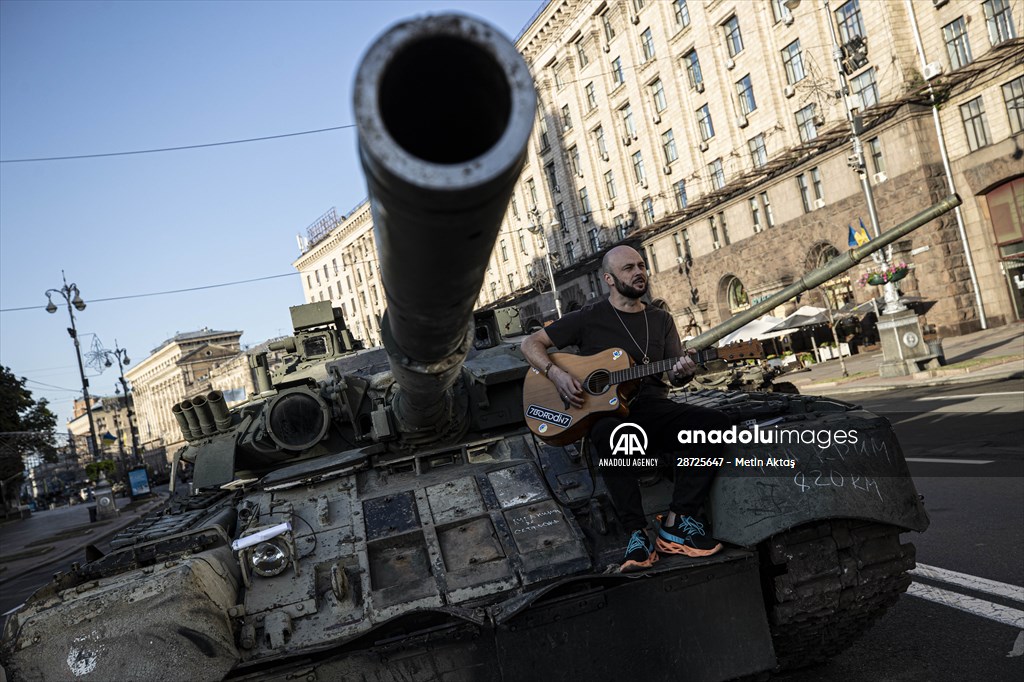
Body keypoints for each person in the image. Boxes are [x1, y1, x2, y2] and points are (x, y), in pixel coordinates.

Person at [521, 245, 731, 572]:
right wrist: (557, 375)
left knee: (715, 424)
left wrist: (682, 372)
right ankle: (636, 533)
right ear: (608, 278)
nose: (639, 272)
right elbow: (530, 344)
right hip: (608, 416)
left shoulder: (660, 319)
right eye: (628, 268)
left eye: (642, 265)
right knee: (608, 433)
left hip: (654, 409)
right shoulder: (589, 317)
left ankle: (678, 521)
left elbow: (674, 376)